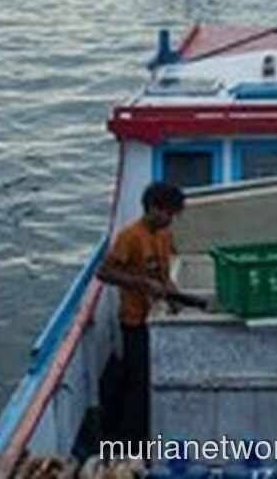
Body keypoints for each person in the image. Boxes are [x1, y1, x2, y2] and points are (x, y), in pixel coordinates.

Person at [95, 181, 186, 446]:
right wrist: (142, 284)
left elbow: (163, 271)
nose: (170, 219)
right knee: (138, 383)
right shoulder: (130, 236)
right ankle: (129, 442)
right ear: (153, 209)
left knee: (152, 379)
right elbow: (104, 272)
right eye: (168, 213)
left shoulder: (164, 234)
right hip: (134, 320)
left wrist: (172, 293)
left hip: (156, 317)